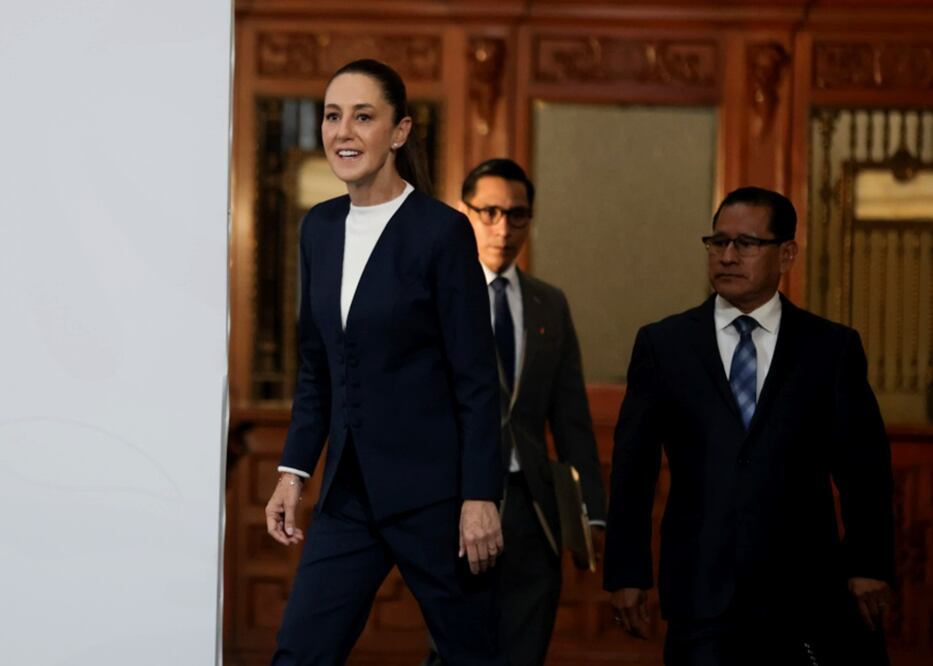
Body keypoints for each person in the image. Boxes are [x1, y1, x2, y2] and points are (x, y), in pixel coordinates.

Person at [264, 58, 507, 666]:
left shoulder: (441, 232)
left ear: (398, 132)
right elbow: (317, 367)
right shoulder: (317, 228)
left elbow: (478, 381)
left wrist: (480, 498)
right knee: (300, 652)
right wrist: (292, 473)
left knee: (470, 656)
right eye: (332, 116)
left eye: (363, 117)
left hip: (438, 500)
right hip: (349, 497)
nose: (343, 132)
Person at [604, 187, 896, 665]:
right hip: (700, 590)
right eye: (717, 243)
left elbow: (864, 469)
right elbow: (632, 470)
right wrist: (626, 572)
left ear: (786, 254)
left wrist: (868, 563)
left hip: (803, 591)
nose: (728, 256)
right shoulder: (665, 344)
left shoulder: (830, 349)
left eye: (746, 243)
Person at [422, 158, 607, 666]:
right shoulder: (432, 297)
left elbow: (570, 416)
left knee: (523, 652)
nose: (504, 229)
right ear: (466, 213)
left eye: (518, 215)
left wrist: (591, 509)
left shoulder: (550, 303)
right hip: (455, 504)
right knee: (454, 652)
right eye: (490, 213)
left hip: (534, 510)